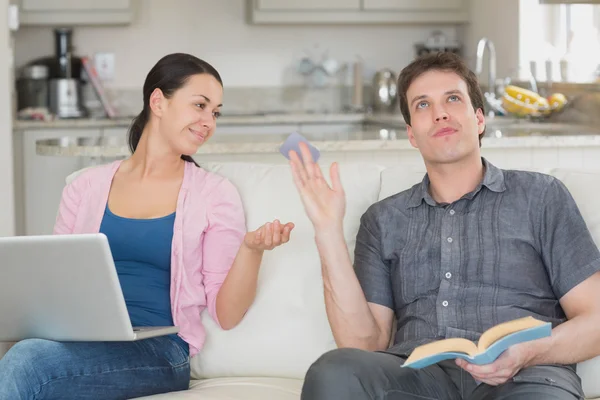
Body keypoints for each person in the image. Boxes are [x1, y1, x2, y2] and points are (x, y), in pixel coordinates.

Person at [288, 51, 600, 400]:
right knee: (334, 369)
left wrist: (530, 352)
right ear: (411, 134)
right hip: (419, 379)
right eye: (422, 105)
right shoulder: (383, 219)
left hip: (529, 378)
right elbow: (364, 344)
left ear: (479, 118)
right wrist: (327, 230)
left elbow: (596, 320)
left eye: (453, 98)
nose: (439, 113)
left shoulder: (541, 196)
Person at [0, 53, 295, 400]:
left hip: (158, 352)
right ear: (158, 101)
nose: (208, 122)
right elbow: (56, 286)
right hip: (77, 342)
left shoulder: (214, 194)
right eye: (199, 105)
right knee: (28, 356)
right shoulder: (84, 187)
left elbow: (227, 315)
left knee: (27, 362)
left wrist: (251, 251)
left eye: (215, 112)